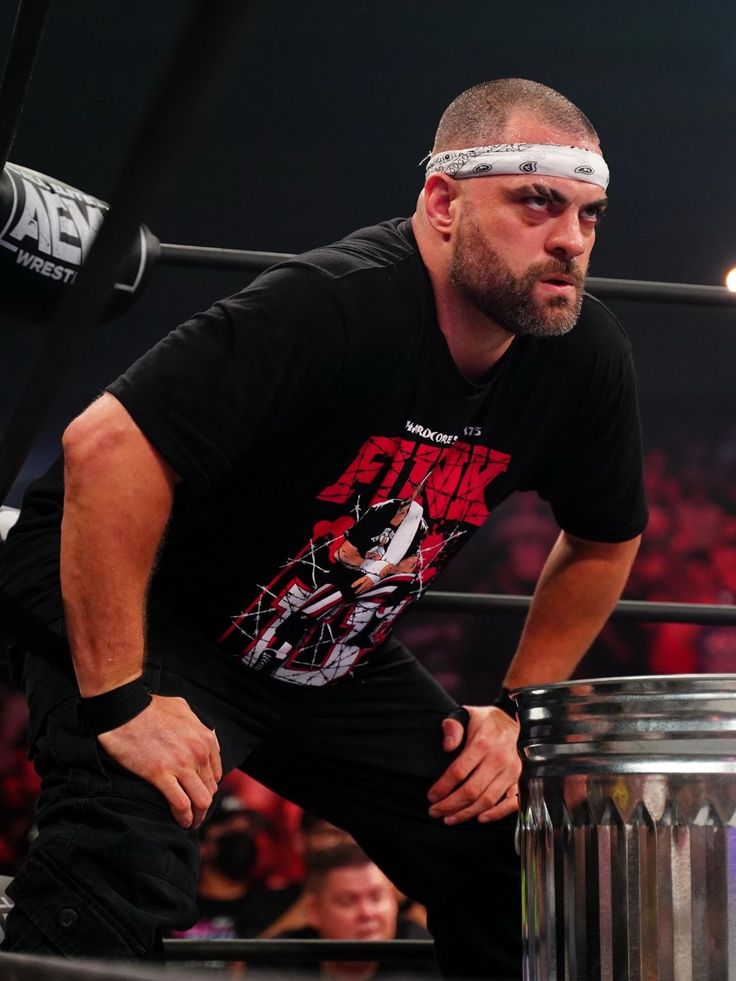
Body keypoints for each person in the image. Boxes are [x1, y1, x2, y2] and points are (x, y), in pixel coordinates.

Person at [0, 78, 646, 977]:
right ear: (442, 201)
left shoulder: (582, 359)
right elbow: (105, 449)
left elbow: (606, 537)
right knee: (126, 849)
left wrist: (511, 710)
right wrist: (120, 700)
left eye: (589, 214)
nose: (570, 241)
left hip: (316, 636)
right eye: (537, 203)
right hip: (149, 603)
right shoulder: (337, 304)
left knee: (514, 851)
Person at [272, 842, 436, 980]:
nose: (367, 913)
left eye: (377, 897)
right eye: (347, 901)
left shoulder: (427, 954)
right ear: (314, 910)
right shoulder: (281, 958)